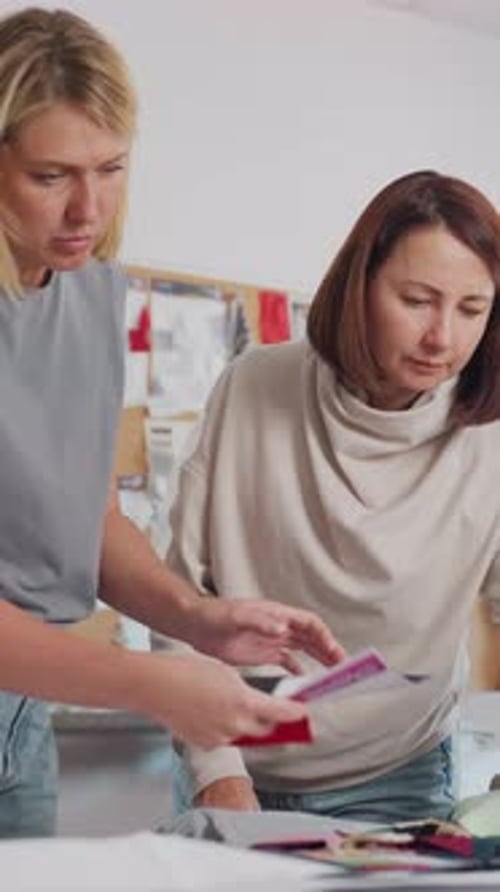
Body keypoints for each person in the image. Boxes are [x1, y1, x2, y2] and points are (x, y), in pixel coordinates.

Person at [0, 7, 345, 839]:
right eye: (52, 176)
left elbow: (89, 515)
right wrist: (152, 685)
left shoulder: (90, 287)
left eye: (110, 168)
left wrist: (192, 617)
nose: (88, 207)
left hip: (22, 714)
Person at [165, 169, 500, 823]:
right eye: (417, 300)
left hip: (399, 778)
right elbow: (176, 601)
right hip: (235, 764)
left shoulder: (489, 435)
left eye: (471, 309)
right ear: (359, 287)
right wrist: (218, 778)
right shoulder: (254, 389)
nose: (443, 338)